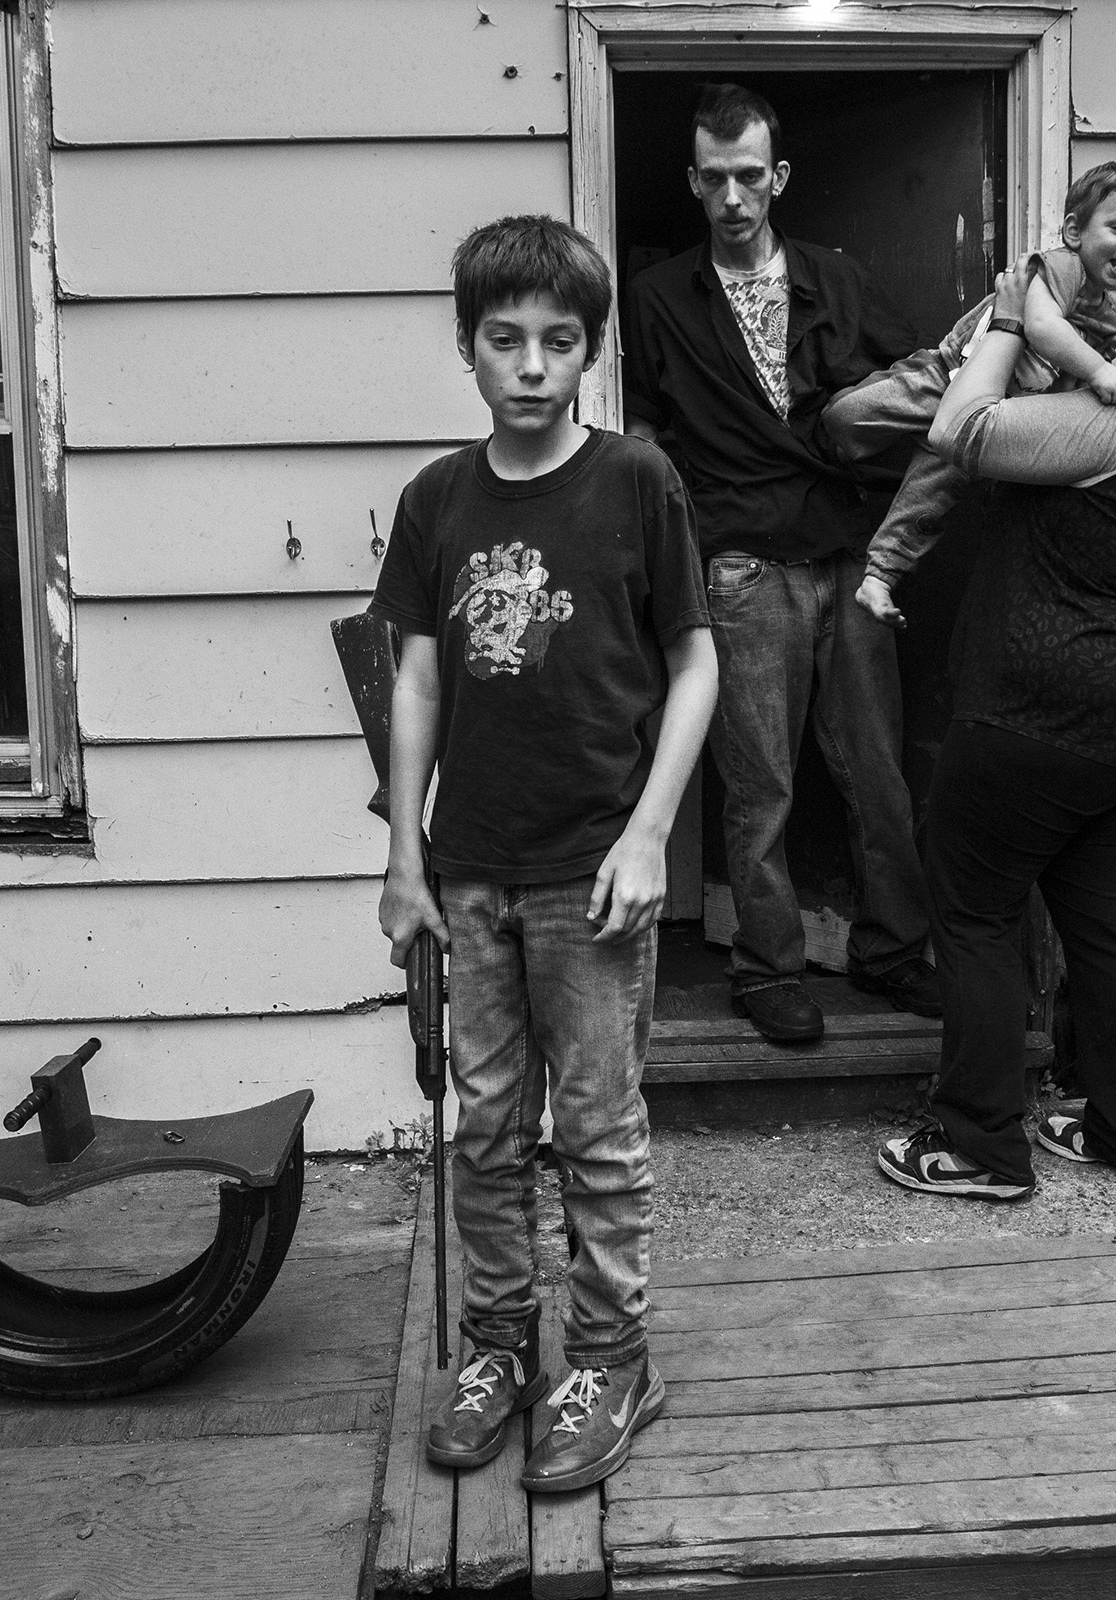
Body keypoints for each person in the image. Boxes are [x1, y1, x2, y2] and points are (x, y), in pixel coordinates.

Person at [373, 215, 719, 1492]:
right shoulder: (434, 501)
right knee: (485, 1127)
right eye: (504, 340)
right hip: (469, 870)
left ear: (588, 352)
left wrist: (648, 835)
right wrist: (405, 856)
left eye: (557, 342)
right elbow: (414, 679)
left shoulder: (635, 481)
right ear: (466, 347)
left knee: (597, 1129)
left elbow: (694, 661)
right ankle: (501, 1347)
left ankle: (611, 1359)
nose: (529, 364)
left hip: (591, 872)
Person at [874, 268, 1116, 1204]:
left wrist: (1010, 317)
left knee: (974, 914)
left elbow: (958, 430)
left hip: (1034, 718)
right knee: (1103, 927)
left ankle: (981, 1147)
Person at [624, 82, 940, 1044]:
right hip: (741, 566)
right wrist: (680, 544)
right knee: (760, 785)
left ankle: (891, 952)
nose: (731, 198)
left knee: (877, 771)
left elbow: (925, 384)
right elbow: (646, 429)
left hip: (847, 556)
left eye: (749, 177)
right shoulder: (659, 295)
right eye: (714, 179)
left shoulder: (836, 280)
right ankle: (767, 972)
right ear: (691, 179)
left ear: (780, 177)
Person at [821, 162, 1116, 633]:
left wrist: (1083, 389)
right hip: (947, 375)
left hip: (989, 417)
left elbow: (1072, 393)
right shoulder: (1062, 267)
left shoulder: (1109, 315)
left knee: (929, 498)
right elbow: (1042, 328)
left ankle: (880, 575)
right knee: (848, 416)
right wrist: (1100, 369)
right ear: (1073, 231)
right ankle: (828, 453)